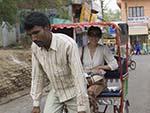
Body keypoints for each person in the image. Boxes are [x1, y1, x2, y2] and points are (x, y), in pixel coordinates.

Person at [24, 12, 90, 113]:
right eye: (30, 35)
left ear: (47, 27)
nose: (33, 38)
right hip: (56, 91)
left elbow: (78, 76)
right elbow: (37, 75)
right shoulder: (35, 48)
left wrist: (82, 106)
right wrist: (36, 104)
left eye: (36, 32)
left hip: (74, 91)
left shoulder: (67, 44)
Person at [79, 26, 118, 111]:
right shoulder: (81, 50)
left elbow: (115, 64)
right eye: (92, 35)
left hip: (98, 81)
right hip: (83, 81)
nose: (94, 38)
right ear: (88, 36)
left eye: (97, 35)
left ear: (99, 37)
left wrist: (100, 67)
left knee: (89, 93)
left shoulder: (103, 49)